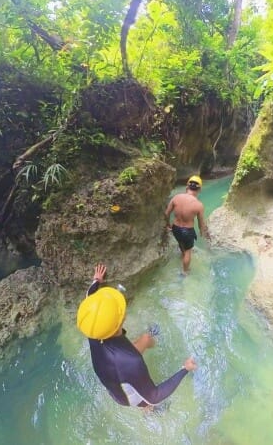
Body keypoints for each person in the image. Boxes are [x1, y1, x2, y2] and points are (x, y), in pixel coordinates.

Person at [77, 264, 197, 408]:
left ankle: (150, 338)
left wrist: (97, 280)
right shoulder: (132, 361)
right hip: (127, 397)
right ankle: (148, 411)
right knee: (148, 403)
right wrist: (185, 369)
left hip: (110, 376)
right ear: (122, 319)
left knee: (146, 339)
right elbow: (154, 396)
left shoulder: (93, 328)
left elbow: (90, 298)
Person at [164, 175, 211, 275]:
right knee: (188, 251)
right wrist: (202, 233)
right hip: (187, 231)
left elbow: (167, 213)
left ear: (187, 187)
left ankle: (182, 254)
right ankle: (185, 272)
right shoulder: (198, 205)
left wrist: (168, 225)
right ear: (199, 190)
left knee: (181, 243)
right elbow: (200, 222)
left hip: (175, 228)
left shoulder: (176, 197)